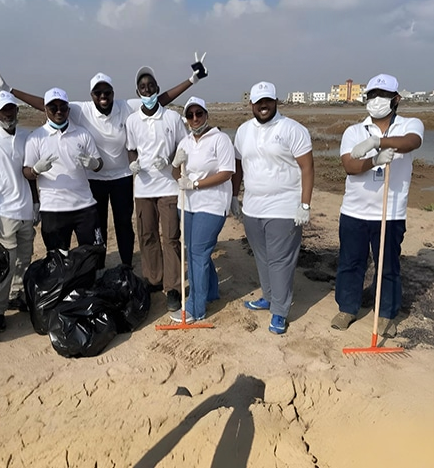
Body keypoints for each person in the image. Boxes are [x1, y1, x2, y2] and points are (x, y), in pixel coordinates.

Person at [0, 57, 206, 267]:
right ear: (91, 95)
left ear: (113, 93)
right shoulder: (80, 109)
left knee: (124, 224)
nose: (103, 96)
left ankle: (126, 264)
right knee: (99, 227)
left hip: (122, 175)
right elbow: (46, 105)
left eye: (107, 92)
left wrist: (192, 80)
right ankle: (100, 266)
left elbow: (159, 99)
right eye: (98, 93)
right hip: (94, 178)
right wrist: (10, 90)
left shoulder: (126, 106)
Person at [330, 74, 423, 338]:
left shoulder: (409, 124)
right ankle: (347, 308)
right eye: (371, 94)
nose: (376, 100)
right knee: (350, 263)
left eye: (382, 94)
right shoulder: (354, 131)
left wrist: (378, 143)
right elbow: (349, 166)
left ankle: (386, 315)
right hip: (354, 211)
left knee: (388, 266)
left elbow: (413, 142)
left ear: (396, 99)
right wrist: (375, 159)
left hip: (390, 213)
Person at [231, 81, 314, 335]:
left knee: (280, 261)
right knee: (262, 256)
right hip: (253, 208)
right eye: (258, 102)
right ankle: (268, 296)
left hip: (284, 209)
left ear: (276, 101)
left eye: (268, 100)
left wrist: (304, 204)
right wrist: (234, 196)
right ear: (251, 105)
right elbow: (238, 166)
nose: (263, 105)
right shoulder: (243, 131)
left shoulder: (292, 129)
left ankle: (280, 311)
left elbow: (307, 168)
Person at [126, 66, 188, 311]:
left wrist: (171, 159)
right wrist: (132, 162)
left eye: (151, 86)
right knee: (147, 235)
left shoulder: (171, 118)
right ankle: (153, 279)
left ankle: (172, 287)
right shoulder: (132, 120)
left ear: (157, 89)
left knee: (171, 238)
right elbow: (131, 147)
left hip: (168, 187)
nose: (147, 90)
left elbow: (184, 148)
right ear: (138, 92)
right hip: (143, 188)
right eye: (143, 87)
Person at [0, 91, 39, 332]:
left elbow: (30, 174)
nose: (8, 114)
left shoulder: (26, 136)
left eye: (11, 109)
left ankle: (17, 296)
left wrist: (35, 203)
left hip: (25, 209)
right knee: (7, 263)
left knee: (24, 259)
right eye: (3, 110)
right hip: (3, 212)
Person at [169, 97, 235, 323]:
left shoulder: (220, 139)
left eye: (199, 113)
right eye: (190, 115)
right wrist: (177, 165)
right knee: (194, 251)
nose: (195, 118)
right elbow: (176, 176)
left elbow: (226, 172)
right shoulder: (185, 142)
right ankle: (212, 292)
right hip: (187, 204)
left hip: (212, 204)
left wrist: (195, 184)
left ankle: (195, 308)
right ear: (186, 119)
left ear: (206, 114)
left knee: (198, 252)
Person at [23, 87, 104, 255]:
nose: (59, 111)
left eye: (63, 107)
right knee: (58, 257)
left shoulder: (82, 134)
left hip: (84, 205)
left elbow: (99, 165)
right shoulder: (36, 138)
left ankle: (89, 282)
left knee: (91, 254)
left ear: (68, 109)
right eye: (53, 107)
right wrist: (36, 170)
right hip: (53, 209)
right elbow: (26, 172)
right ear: (45, 109)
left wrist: (93, 163)